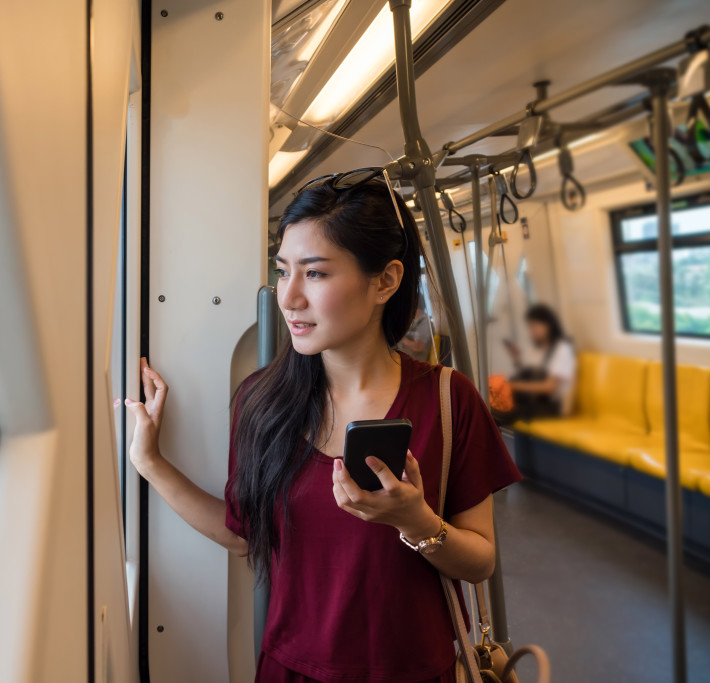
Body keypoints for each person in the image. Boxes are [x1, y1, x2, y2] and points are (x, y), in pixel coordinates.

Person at [122, 173, 521, 683]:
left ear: (385, 281)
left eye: (314, 274)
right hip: (294, 670)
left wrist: (416, 522)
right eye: (282, 271)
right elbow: (244, 536)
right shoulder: (262, 401)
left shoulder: (448, 398)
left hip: (419, 671)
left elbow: (480, 561)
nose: (288, 298)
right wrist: (149, 462)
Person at [501, 304, 576, 420]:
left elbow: (550, 387)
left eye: (535, 327)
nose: (532, 331)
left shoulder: (562, 348)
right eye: (530, 327)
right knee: (502, 409)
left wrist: (514, 386)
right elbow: (529, 377)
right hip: (534, 402)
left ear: (548, 325)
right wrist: (517, 359)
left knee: (504, 415)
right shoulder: (536, 348)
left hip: (554, 406)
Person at [396, 297, 434, 362]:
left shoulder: (425, 322)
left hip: (410, 363)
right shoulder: (413, 322)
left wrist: (400, 337)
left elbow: (418, 346)